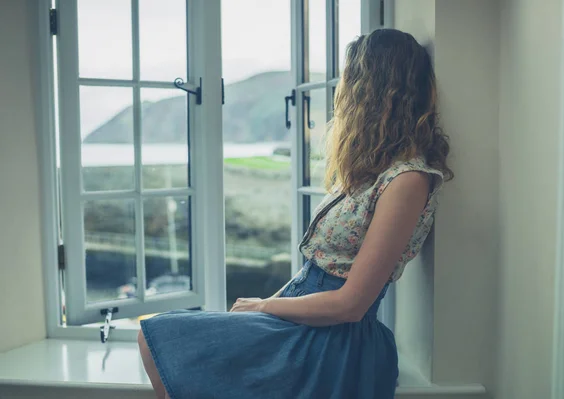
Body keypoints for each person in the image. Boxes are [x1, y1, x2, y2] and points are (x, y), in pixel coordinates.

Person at [138, 28, 453, 399]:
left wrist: (264, 306)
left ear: (374, 90)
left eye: (351, 81)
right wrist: (267, 310)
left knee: (159, 336)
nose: (344, 93)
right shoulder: (372, 171)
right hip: (305, 316)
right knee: (160, 338)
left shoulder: (407, 180)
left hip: (333, 338)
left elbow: (351, 304)